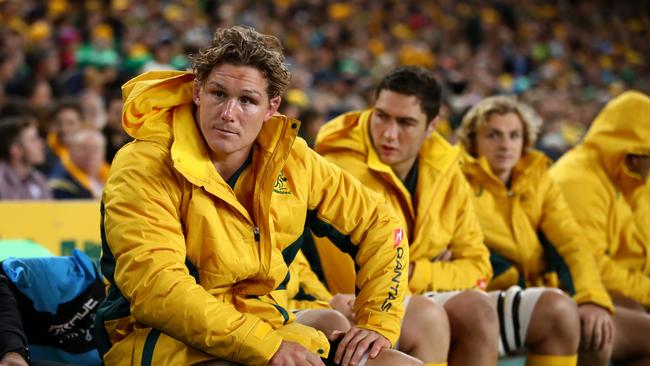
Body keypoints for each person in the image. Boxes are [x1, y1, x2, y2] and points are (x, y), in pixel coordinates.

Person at [96, 26, 419, 366]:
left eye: (247, 100)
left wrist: (377, 322)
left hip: (269, 329)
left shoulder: (293, 160)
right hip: (161, 340)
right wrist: (266, 346)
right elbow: (157, 290)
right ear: (197, 92)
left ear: (271, 107)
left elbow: (383, 225)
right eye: (218, 94)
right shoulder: (143, 163)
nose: (228, 113)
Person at [313, 66, 499, 365]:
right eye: (382, 116)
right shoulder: (341, 168)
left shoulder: (447, 169)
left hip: (412, 297)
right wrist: (433, 268)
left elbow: (479, 269)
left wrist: (415, 271)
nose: (389, 133)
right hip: (355, 305)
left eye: (406, 123)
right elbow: (355, 277)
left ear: (431, 126)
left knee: (479, 308)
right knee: (429, 316)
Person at [457, 96, 615, 366]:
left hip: (543, 292)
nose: (505, 144)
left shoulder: (539, 178)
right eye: (493, 135)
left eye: (514, 135)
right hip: (489, 297)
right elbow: (463, 250)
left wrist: (591, 298)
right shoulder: (454, 178)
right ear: (473, 141)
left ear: (525, 140)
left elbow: (570, 242)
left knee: (601, 333)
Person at [550, 91, 650, 366]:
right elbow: (590, 265)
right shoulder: (577, 179)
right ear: (634, 151)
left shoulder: (636, 180)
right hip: (572, 292)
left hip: (618, 293)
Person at [0, 115, 51, 200]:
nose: (41, 144)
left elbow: (49, 212)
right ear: (15, 150)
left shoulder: (38, 179)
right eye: (33, 139)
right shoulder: (1, 180)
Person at [49, 128, 108, 199]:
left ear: (104, 152)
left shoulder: (113, 178)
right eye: (83, 148)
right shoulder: (60, 185)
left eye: (95, 149)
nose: (90, 154)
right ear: (70, 151)